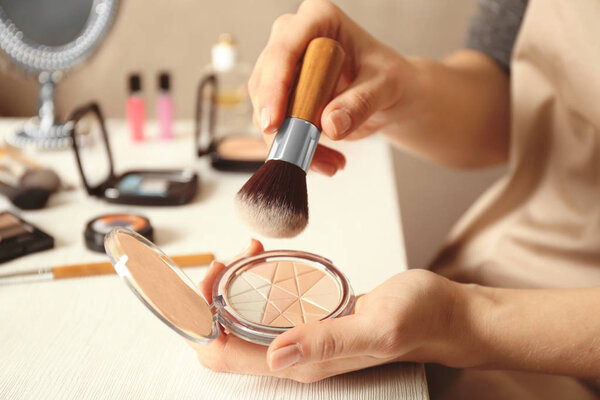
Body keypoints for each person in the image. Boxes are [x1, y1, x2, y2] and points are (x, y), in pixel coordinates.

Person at [190, 0, 600, 398]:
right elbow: (514, 97)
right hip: (501, 258)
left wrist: (465, 321)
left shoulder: (461, 318)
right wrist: (401, 88)